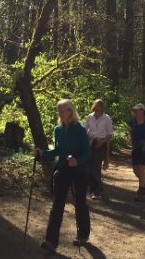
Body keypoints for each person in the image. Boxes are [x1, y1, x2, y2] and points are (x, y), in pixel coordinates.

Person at [34, 99, 91, 253]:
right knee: (57, 204)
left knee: (79, 202)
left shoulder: (80, 129)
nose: (59, 113)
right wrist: (42, 153)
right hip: (63, 169)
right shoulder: (58, 130)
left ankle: (83, 234)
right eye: (58, 110)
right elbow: (56, 151)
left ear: (70, 111)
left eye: (62, 110)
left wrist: (77, 161)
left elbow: (87, 152)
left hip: (79, 171)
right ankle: (51, 241)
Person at [85, 99, 113, 199]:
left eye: (100, 110)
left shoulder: (107, 118)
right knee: (88, 167)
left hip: (102, 144)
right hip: (91, 143)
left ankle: (97, 191)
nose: (98, 112)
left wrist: (102, 142)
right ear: (94, 108)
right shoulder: (89, 117)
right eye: (97, 109)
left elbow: (110, 135)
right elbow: (85, 131)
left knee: (95, 168)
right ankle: (95, 188)